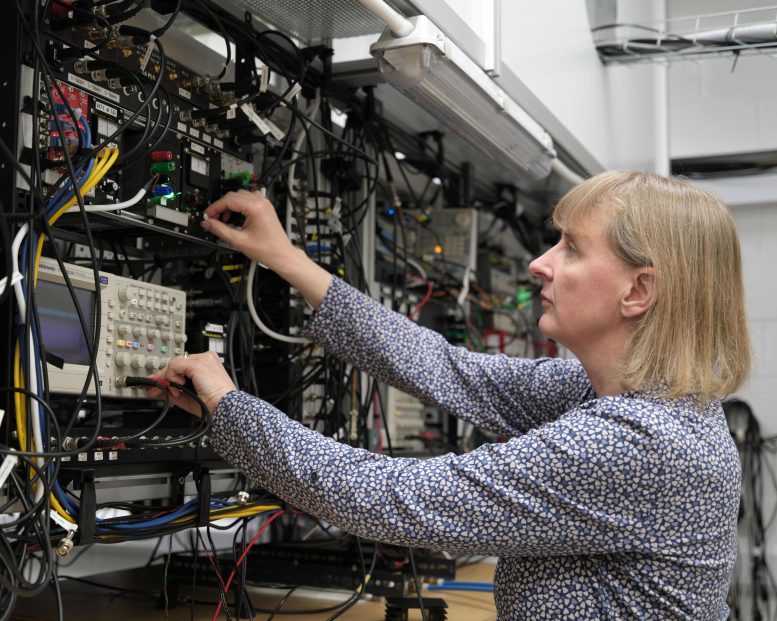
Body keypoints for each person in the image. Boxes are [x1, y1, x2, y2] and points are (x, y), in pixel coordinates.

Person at [148, 170, 751, 619]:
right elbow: (451, 370)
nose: (540, 264)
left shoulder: (638, 441)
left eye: (571, 247)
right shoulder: (651, 402)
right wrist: (286, 259)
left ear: (638, 291)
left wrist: (229, 406)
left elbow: (395, 498)